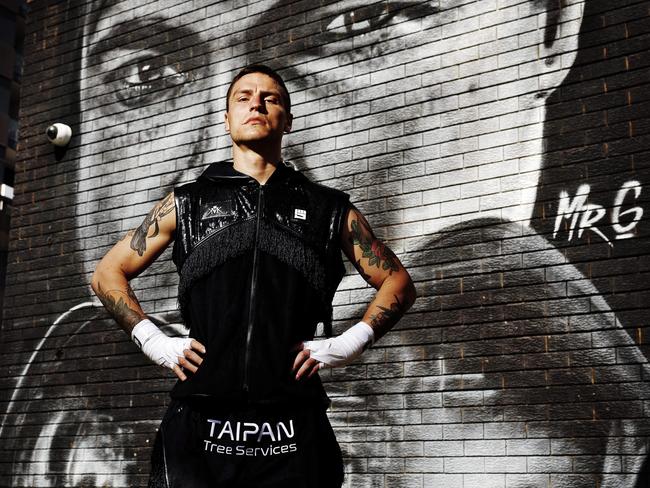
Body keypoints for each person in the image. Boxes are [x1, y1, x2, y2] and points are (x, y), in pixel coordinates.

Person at [91, 64, 416, 487]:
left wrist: (349, 343)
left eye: (271, 98)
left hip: (292, 424)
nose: (256, 104)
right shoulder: (186, 204)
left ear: (288, 119)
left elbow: (399, 284)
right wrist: (154, 341)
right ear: (226, 120)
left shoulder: (328, 208)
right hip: (201, 423)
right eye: (243, 98)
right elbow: (107, 273)